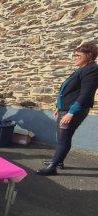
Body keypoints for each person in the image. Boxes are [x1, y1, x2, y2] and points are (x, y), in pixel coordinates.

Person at [37, 42, 98, 175]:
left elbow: (85, 94)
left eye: (78, 55)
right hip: (66, 109)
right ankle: (58, 161)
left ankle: (53, 167)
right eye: (74, 55)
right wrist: (59, 107)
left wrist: (70, 112)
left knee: (64, 137)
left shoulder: (91, 70)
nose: (74, 57)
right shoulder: (82, 69)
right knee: (61, 137)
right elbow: (69, 91)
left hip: (74, 110)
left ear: (89, 55)